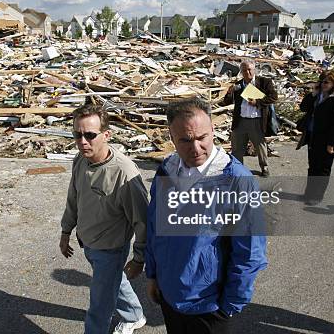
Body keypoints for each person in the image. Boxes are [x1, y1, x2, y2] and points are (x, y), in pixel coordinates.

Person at [146, 98, 268, 334]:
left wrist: (230, 305)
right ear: (172, 138)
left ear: (213, 130)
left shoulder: (237, 182)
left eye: (202, 138)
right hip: (169, 296)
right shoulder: (167, 171)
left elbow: (250, 251)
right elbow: (155, 227)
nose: (195, 148)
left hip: (208, 306)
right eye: (185, 140)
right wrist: (152, 274)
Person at [60, 104, 148, 334]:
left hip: (110, 250)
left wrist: (139, 258)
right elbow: (74, 196)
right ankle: (135, 315)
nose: (82, 141)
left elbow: (143, 221)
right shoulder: (80, 160)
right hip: (87, 242)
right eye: (77, 135)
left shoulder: (125, 173)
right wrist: (66, 230)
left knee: (99, 305)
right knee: (112, 281)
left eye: (90, 135)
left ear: (106, 135)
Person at [296, 69, 334, 205]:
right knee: (312, 166)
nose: (323, 84)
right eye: (321, 81)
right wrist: (313, 93)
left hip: (327, 140)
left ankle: (317, 195)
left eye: (326, 82)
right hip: (313, 136)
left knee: (323, 169)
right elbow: (303, 107)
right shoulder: (318, 95)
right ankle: (309, 193)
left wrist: (332, 143)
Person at [222, 60, 278, 177]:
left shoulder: (264, 82)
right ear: (241, 72)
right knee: (237, 147)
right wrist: (229, 93)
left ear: (254, 70)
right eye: (245, 70)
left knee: (260, 146)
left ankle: (264, 167)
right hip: (241, 121)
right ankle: (238, 169)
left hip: (256, 121)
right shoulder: (238, 85)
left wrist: (257, 102)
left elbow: (273, 97)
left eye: (250, 69)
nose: (248, 72)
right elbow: (226, 102)